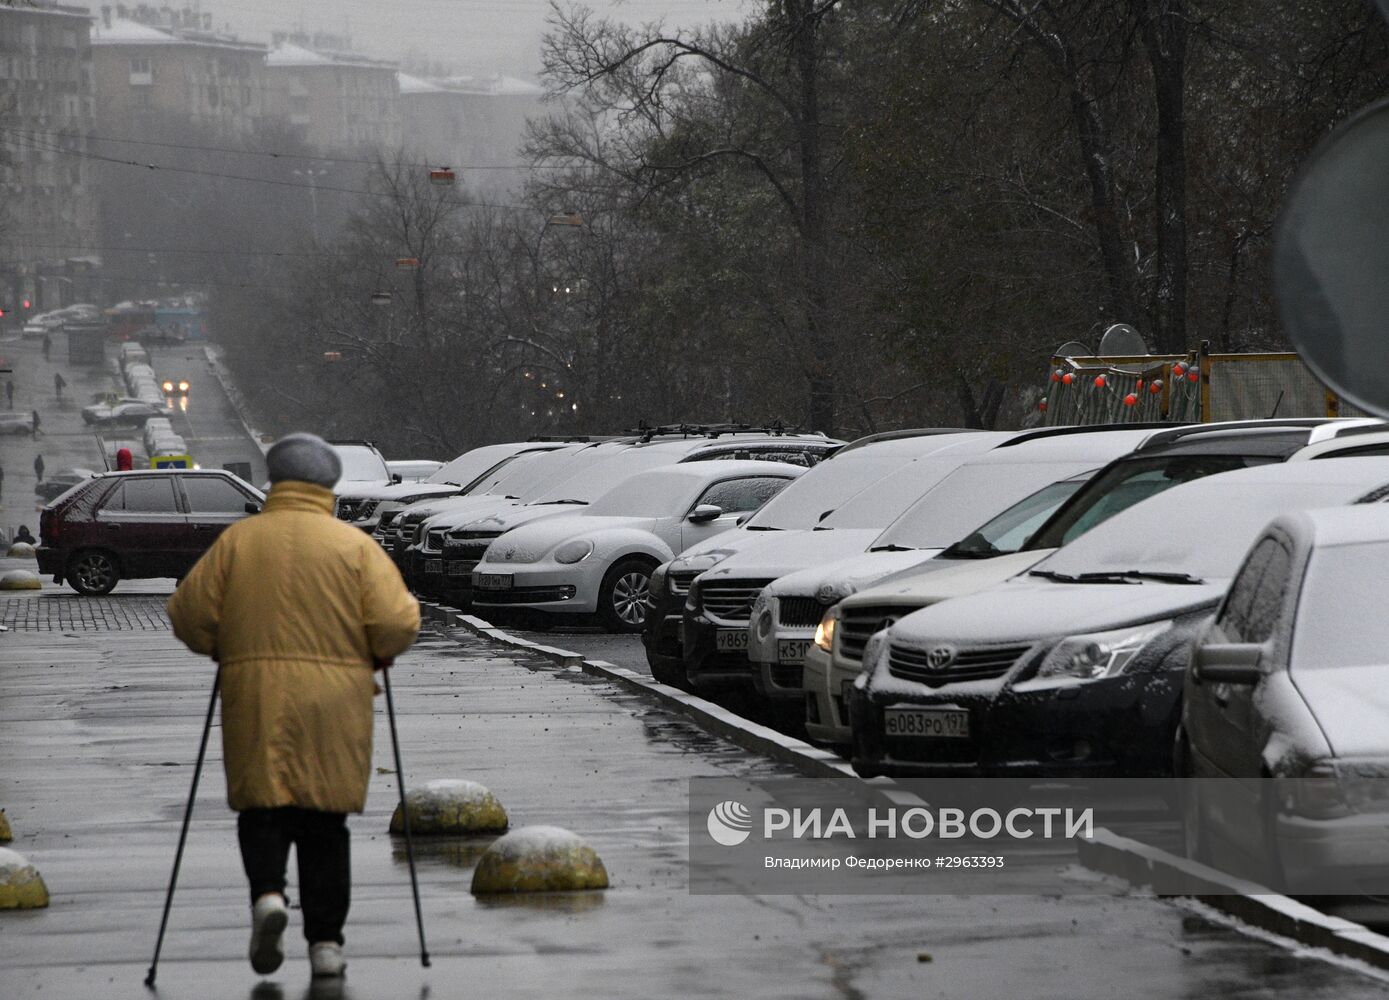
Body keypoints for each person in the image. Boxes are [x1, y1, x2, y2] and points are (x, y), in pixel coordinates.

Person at [167, 433, 419, 981]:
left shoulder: (239, 542)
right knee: (324, 821)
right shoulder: (352, 546)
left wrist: (224, 647)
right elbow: (397, 623)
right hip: (337, 698)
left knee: (262, 806)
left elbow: (188, 614)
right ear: (327, 485)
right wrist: (375, 650)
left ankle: (268, 896)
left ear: (276, 483)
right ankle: (326, 943)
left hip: (252, 690)